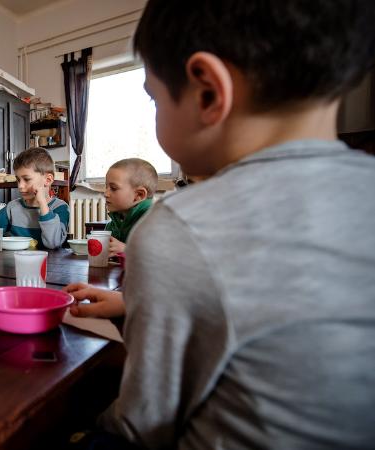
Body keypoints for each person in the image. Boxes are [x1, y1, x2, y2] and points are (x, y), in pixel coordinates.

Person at [79, 0, 375, 448]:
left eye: (154, 99)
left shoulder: (178, 227)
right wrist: (129, 304)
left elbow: (142, 424)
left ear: (208, 92)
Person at [103, 158, 157, 256]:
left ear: (139, 195)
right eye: (106, 187)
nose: (105, 193)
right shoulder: (113, 224)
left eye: (113, 188)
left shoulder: (154, 221)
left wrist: (126, 249)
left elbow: (163, 256)